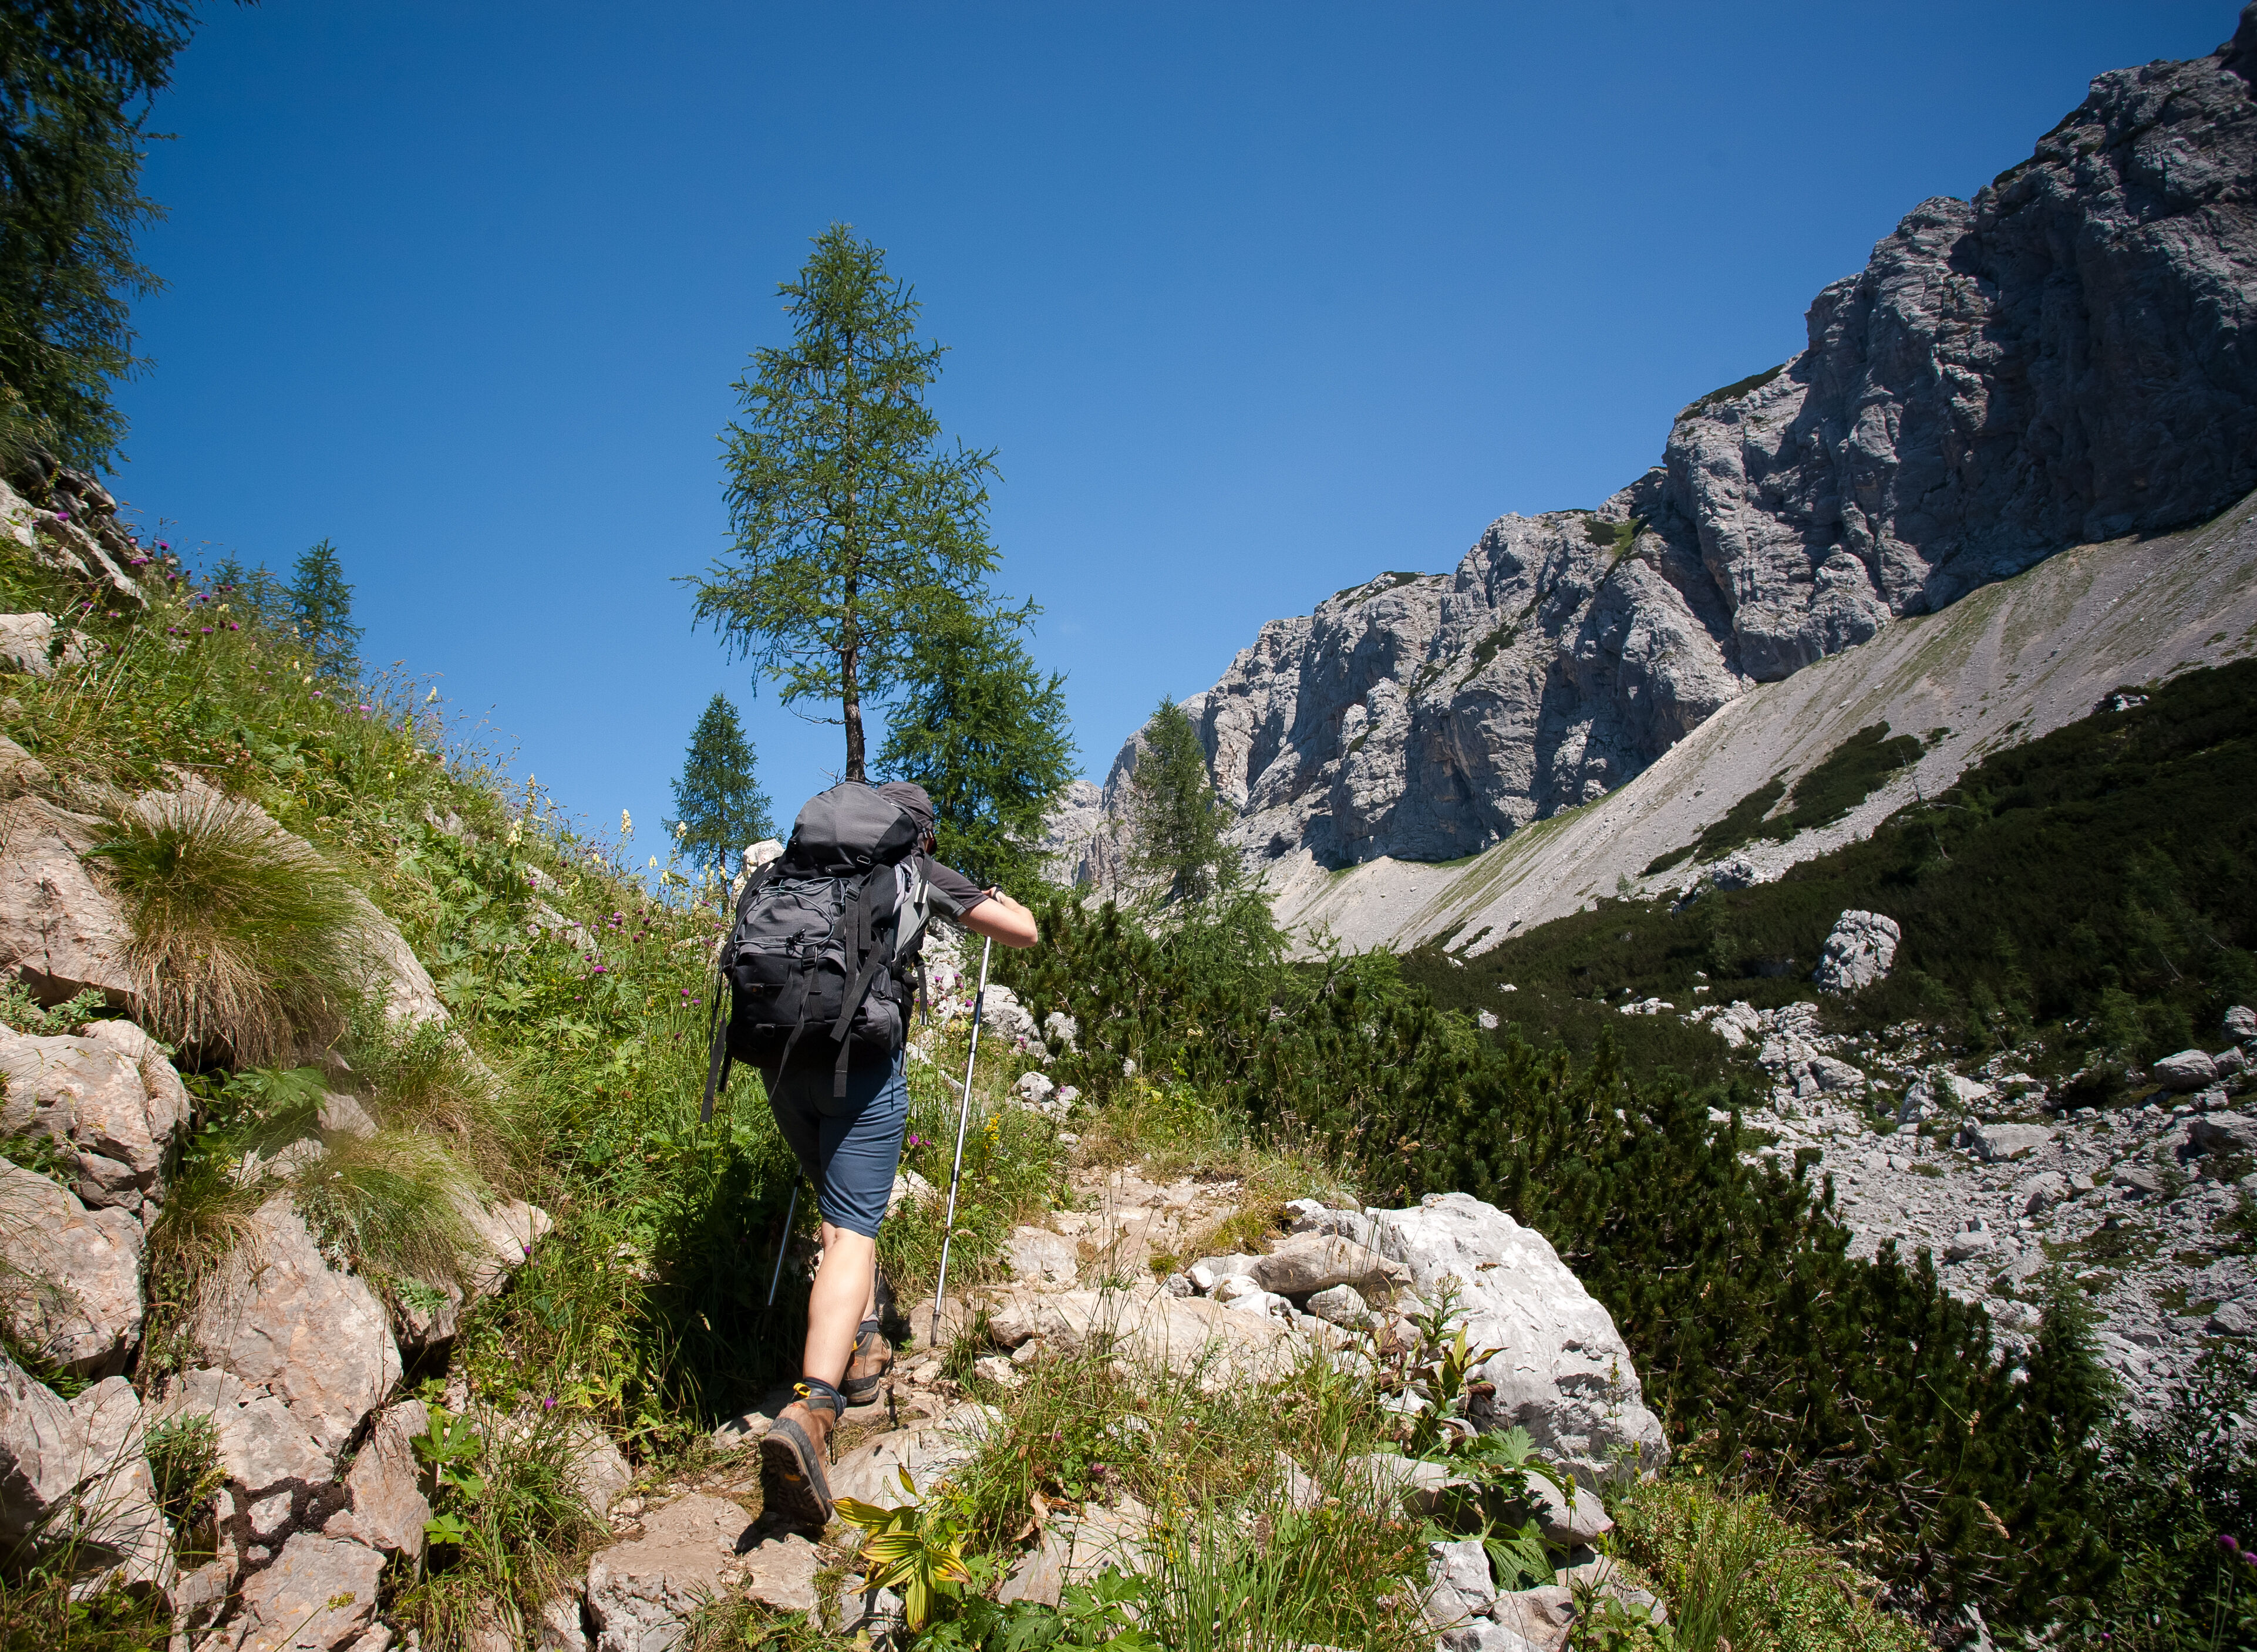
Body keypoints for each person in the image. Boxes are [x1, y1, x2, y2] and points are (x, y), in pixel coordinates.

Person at [760, 780, 1039, 1529]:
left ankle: (862, 1349)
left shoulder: (794, 867)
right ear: (917, 832)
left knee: (833, 1212)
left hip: (780, 1065)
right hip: (862, 1068)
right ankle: (814, 1414)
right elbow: (1023, 933)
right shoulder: (915, 869)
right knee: (854, 1226)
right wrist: (1000, 898)